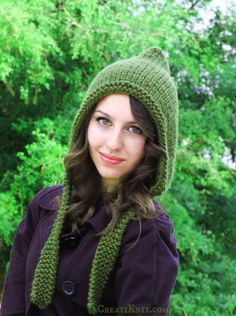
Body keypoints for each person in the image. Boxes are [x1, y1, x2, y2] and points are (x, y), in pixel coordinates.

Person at [0, 47, 179, 316]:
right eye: (103, 121)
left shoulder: (147, 232)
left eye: (134, 129)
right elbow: (13, 303)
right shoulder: (45, 205)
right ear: (86, 123)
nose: (113, 143)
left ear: (153, 143)